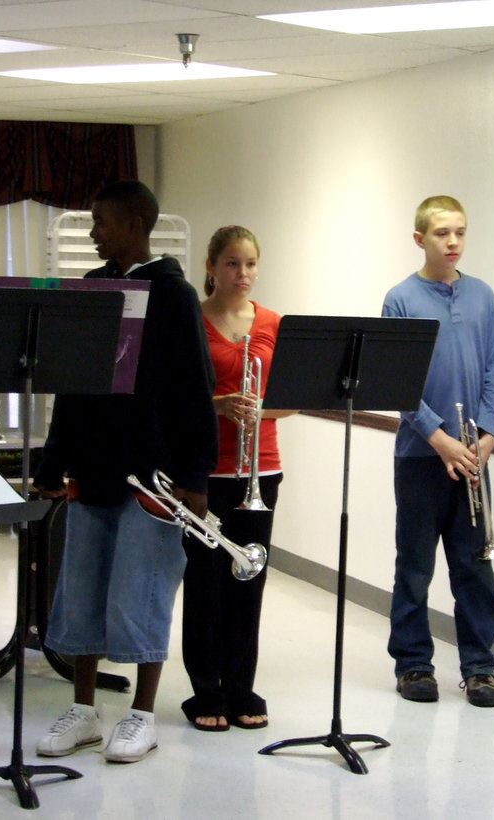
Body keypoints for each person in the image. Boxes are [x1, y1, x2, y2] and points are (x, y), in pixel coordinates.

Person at [33, 180, 217, 764]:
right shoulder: (92, 289)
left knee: (143, 590)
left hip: (156, 475)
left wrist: (197, 476)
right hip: (94, 468)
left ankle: (142, 715)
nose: (92, 233)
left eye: (101, 223)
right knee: (82, 587)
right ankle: (84, 710)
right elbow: (73, 384)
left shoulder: (174, 295)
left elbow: (196, 389)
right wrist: (55, 458)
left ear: (135, 225)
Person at [382, 195, 494, 708]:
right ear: (420, 239)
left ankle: (479, 668)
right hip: (420, 456)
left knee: (475, 565)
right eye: (441, 234)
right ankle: (413, 665)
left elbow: (493, 371)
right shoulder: (400, 298)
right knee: (414, 566)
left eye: (459, 232)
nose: (452, 242)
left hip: (472, 455)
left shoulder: (482, 296)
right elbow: (398, 384)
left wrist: (489, 433)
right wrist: (438, 438)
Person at [181, 225, 293, 732]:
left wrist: (260, 411)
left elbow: (294, 396)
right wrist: (218, 405)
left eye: (250, 264)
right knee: (204, 582)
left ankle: (242, 687)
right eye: (231, 263)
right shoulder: (192, 322)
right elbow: (174, 398)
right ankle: (205, 690)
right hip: (205, 468)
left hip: (260, 468)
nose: (242, 273)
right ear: (210, 267)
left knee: (249, 579)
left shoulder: (272, 322)